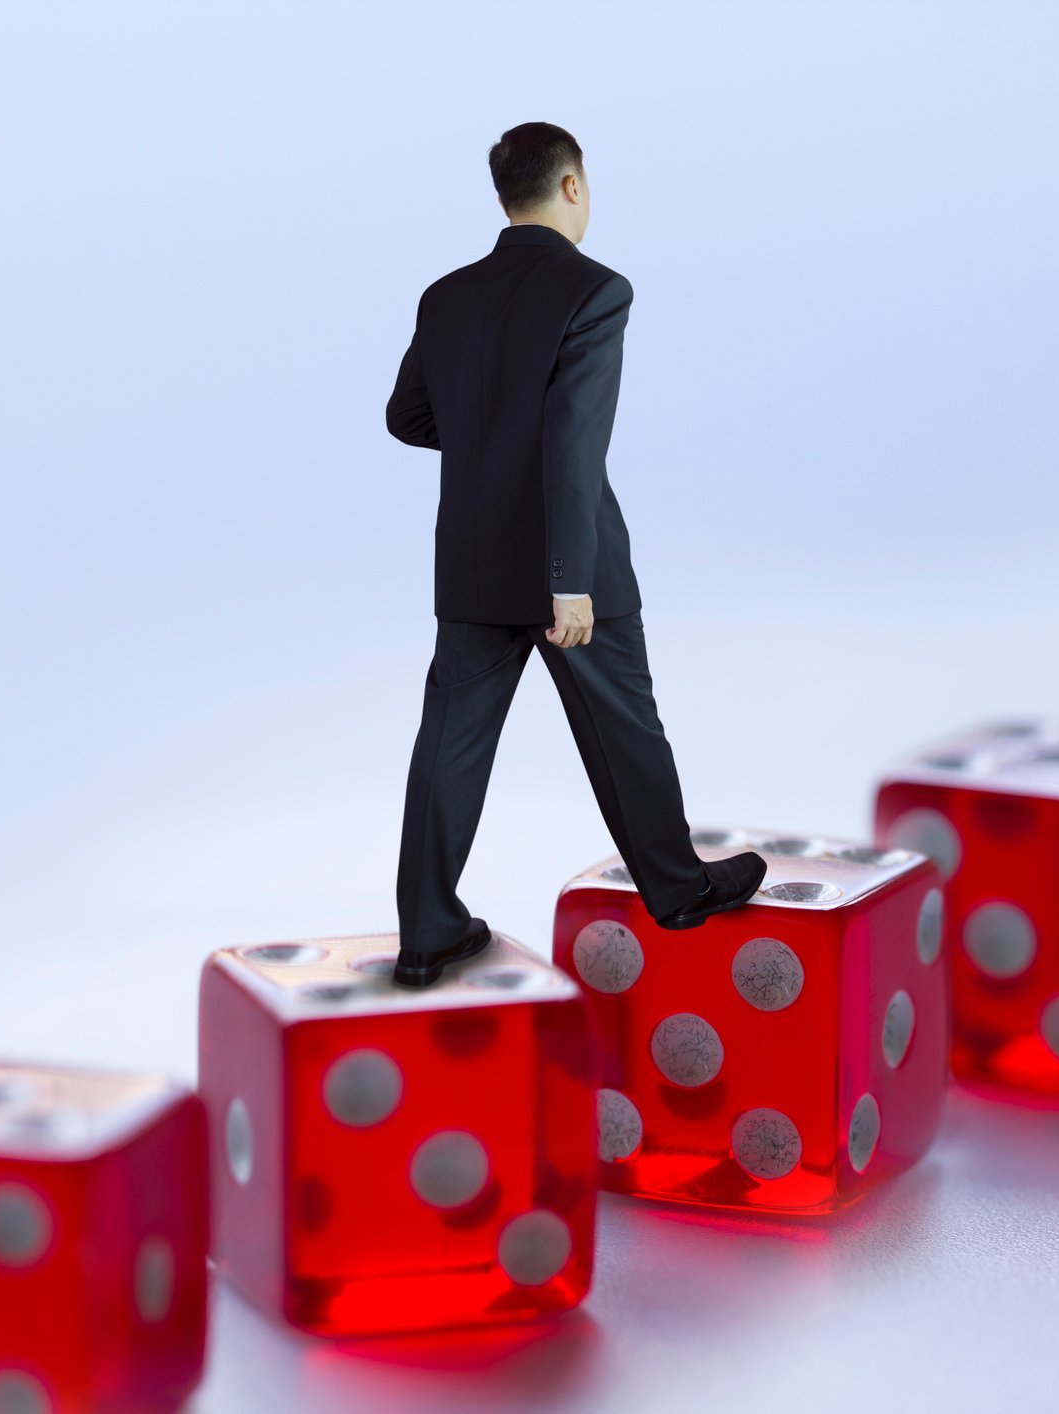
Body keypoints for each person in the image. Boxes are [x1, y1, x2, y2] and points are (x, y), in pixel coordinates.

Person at [383, 121, 764, 988]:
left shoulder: (445, 296)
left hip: (473, 557)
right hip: (571, 562)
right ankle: (676, 887)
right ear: (571, 186)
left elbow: (406, 417)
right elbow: (575, 441)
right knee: (624, 724)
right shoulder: (596, 290)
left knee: (449, 745)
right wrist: (569, 578)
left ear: (502, 195)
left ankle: (427, 931)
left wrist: (485, 436)